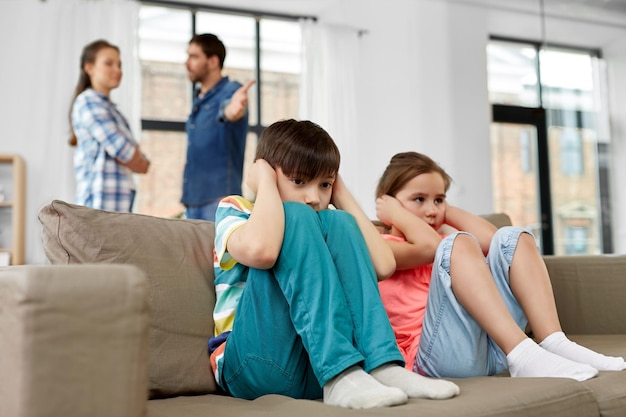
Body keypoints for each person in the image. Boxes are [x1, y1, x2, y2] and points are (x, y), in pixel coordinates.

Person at [209, 120, 460, 409]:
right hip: (253, 366)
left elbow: (384, 265)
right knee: (295, 215)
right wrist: (265, 183)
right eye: (299, 181)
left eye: (324, 185)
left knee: (339, 221)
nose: (314, 197)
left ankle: (382, 367)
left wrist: (341, 195)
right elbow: (261, 251)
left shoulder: (325, 219)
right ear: (263, 170)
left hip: (314, 371)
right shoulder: (237, 210)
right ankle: (340, 373)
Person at [374, 151, 626, 382]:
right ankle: (523, 353)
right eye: (419, 199)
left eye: (439, 199)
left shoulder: (443, 238)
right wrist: (396, 214)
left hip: (491, 351)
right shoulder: (382, 247)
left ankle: (552, 341)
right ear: (389, 203)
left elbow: (494, 240)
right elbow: (427, 246)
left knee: (514, 238)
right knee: (458, 244)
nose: (432, 210)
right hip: (436, 359)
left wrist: (441, 209)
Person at [70, 39, 150, 212]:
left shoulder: (112, 110)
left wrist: (138, 159)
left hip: (115, 208)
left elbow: (138, 160)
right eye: (109, 63)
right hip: (98, 208)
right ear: (89, 67)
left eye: (119, 65)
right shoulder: (88, 101)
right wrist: (138, 159)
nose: (118, 70)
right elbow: (124, 150)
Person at [182, 33, 255, 222]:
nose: (187, 63)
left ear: (213, 61)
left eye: (194, 57)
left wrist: (234, 110)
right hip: (193, 199)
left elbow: (228, 110)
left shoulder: (231, 91)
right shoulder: (199, 98)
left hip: (219, 200)